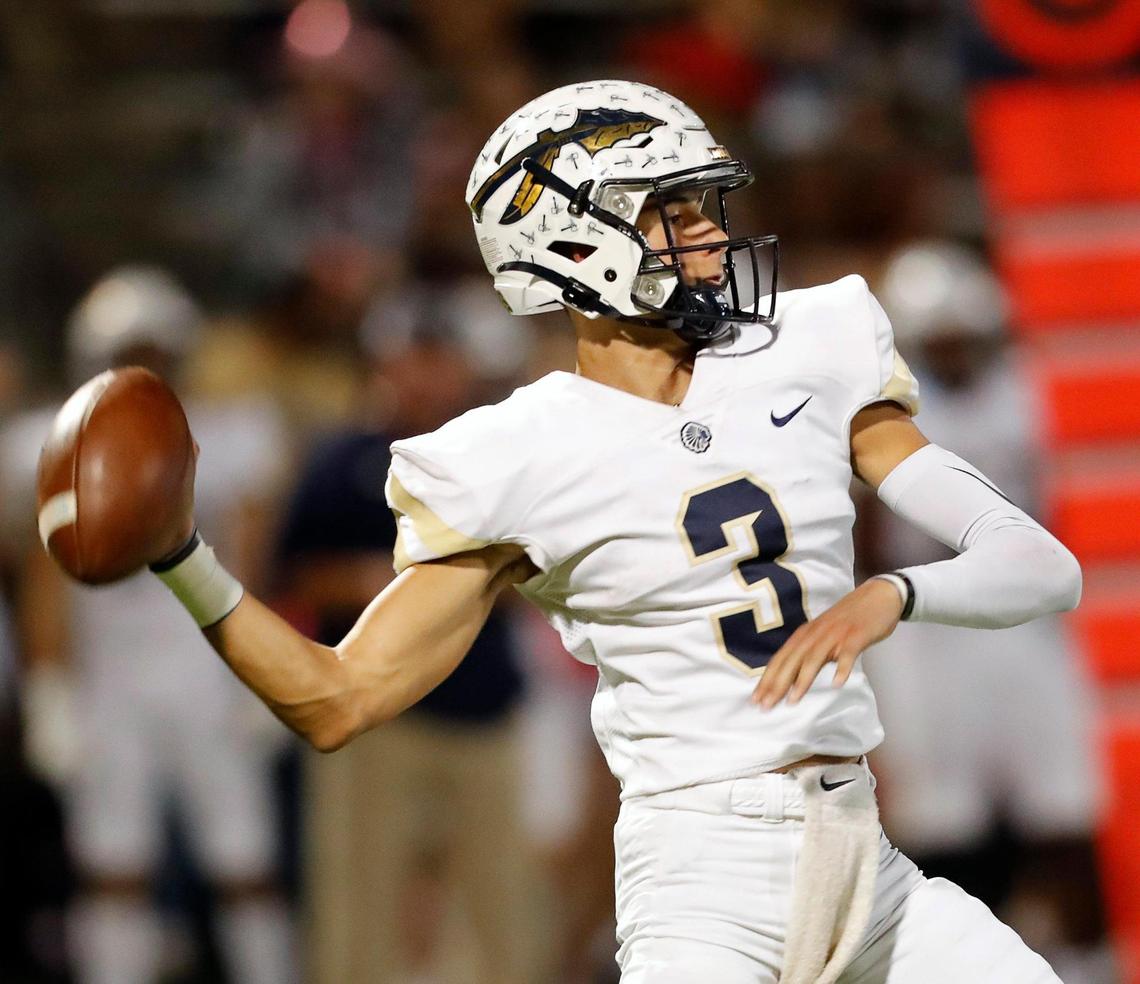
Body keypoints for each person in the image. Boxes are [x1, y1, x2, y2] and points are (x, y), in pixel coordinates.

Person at [119, 82, 1080, 982]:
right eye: (676, 213)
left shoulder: (807, 347)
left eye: (708, 207)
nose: (713, 235)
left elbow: (1038, 564)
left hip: (867, 861)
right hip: (707, 879)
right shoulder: (518, 454)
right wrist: (181, 558)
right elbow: (339, 698)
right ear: (574, 241)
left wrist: (894, 594)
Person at [11, 267, 295, 984]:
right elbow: (43, 574)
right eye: (127, 353)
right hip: (110, 679)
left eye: (155, 353)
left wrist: (262, 670)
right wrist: (49, 685)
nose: (142, 369)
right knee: (112, 866)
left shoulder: (228, 436)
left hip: (207, 671)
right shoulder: (52, 443)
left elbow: (254, 559)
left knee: (246, 863)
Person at [864, 241, 1107, 976]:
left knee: (1063, 807)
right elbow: (868, 533)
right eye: (939, 337)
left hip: (1021, 621)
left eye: (962, 335)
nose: (954, 351)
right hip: (927, 626)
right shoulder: (889, 411)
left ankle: (1085, 960)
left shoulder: (1023, 388)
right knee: (943, 820)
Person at [278, 323, 540, 984]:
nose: (427, 377)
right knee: (359, 904)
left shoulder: (493, 453)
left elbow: (540, 571)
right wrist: (384, 583)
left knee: (502, 909)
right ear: (385, 366)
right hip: (378, 716)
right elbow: (291, 575)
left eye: (440, 360)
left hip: (482, 710)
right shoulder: (345, 458)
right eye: (415, 359)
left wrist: (454, 585)